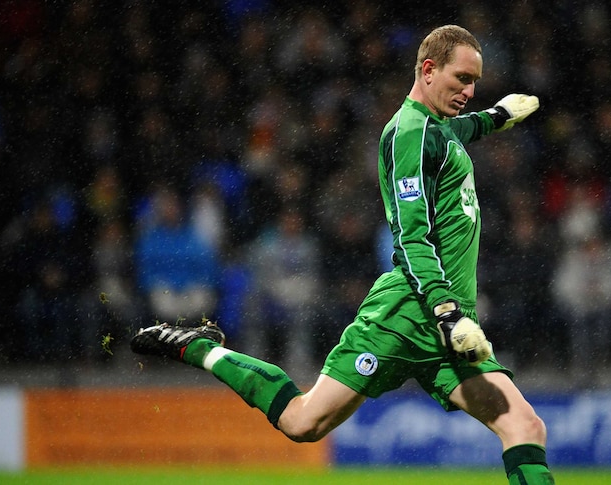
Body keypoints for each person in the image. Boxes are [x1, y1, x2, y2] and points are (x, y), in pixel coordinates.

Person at [131, 25, 553, 484]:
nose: (469, 92)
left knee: (525, 426)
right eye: (462, 79)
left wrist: (496, 116)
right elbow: (412, 238)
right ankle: (201, 349)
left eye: (475, 83)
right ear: (429, 70)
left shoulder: (438, 129)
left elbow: (458, 130)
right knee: (302, 421)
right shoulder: (407, 133)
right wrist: (447, 312)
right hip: (411, 313)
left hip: (448, 326)